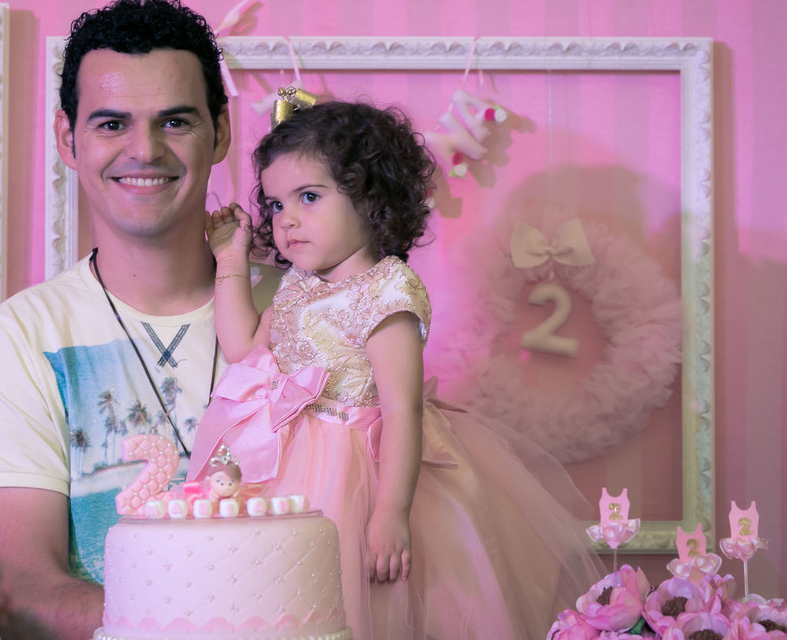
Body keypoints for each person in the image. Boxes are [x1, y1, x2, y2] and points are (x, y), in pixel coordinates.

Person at [189, 101, 604, 640]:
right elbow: (242, 347)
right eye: (274, 203)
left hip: (360, 475)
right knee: (282, 605)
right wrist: (229, 259)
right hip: (285, 465)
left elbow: (403, 410)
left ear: (370, 196)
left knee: (355, 606)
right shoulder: (298, 284)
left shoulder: (387, 291)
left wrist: (389, 513)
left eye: (308, 197)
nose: (285, 219)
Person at [0, 0, 231, 639]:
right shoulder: (24, 336)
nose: (145, 150)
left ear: (220, 132)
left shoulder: (305, 316)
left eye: (175, 121)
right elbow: (23, 596)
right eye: (112, 124)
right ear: (68, 138)